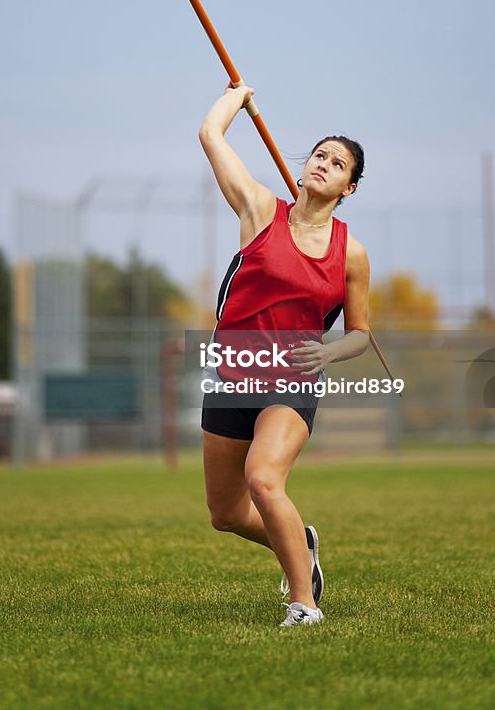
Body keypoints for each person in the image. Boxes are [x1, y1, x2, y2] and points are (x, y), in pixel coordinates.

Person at [198, 84, 371, 627]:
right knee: (225, 514)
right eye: (319, 155)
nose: (324, 164)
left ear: (349, 186)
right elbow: (210, 134)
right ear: (303, 170)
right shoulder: (259, 210)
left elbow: (361, 333)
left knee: (264, 479)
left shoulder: (352, 252)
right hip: (233, 374)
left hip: (291, 383)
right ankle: (301, 542)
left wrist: (329, 351)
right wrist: (236, 95)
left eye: (338, 163)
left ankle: (305, 605)